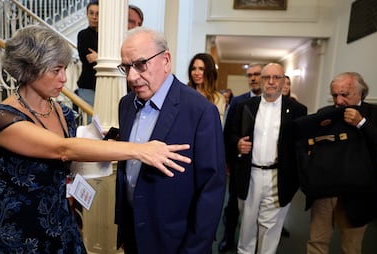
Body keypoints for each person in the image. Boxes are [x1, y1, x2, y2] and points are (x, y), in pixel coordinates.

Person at [0, 25, 191, 254]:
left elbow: (69, 164)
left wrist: (100, 148)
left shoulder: (64, 113)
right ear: (30, 69)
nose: (64, 78)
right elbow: (62, 149)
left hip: (61, 221)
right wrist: (140, 150)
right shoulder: (1, 118)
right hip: (17, 227)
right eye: (56, 70)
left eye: (65, 68)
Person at [115, 27, 226, 254]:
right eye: (126, 67)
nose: (131, 77)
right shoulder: (126, 104)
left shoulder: (200, 111)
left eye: (140, 64)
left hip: (175, 242)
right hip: (134, 235)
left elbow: (211, 190)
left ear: (165, 60)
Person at [227, 63, 307, 254]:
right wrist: (237, 144)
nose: (271, 82)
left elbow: (301, 145)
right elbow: (229, 134)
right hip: (250, 175)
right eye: (266, 78)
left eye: (276, 77)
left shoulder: (297, 110)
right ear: (261, 81)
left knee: (270, 229)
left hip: (278, 176)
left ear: (284, 80)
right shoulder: (244, 106)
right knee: (247, 227)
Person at [305, 72, 377, 254]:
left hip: (358, 194)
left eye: (344, 95)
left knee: (351, 248)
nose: (339, 101)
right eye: (335, 95)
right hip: (324, 192)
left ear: (360, 93)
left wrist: (361, 123)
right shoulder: (324, 114)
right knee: (316, 242)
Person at [218, 63, 263, 252]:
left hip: (265, 165)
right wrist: (233, 151)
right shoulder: (238, 102)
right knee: (233, 206)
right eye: (250, 75)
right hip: (240, 164)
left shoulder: (279, 104)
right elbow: (229, 133)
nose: (253, 78)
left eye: (257, 74)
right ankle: (228, 238)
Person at [188, 53, 227, 124]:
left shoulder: (218, 98)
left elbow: (217, 126)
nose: (196, 73)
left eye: (201, 69)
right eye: (193, 69)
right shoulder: (184, 94)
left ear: (209, 72)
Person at [76, 0, 99, 108]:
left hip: (105, 84)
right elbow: (88, 59)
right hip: (88, 84)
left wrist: (98, 57)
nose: (94, 17)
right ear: (87, 14)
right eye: (91, 13)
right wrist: (102, 57)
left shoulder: (108, 36)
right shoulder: (83, 35)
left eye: (98, 13)